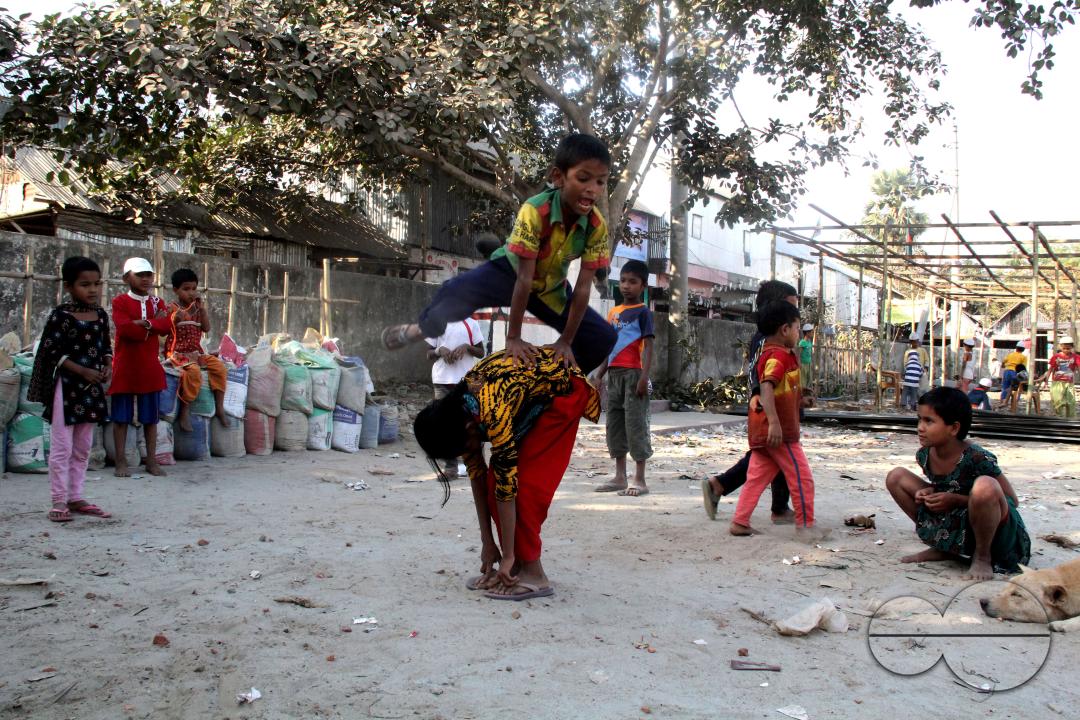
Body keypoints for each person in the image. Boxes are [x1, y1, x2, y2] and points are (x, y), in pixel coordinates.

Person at [381, 133, 616, 374]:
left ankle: (548, 386)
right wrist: (513, 337)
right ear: (558, 177)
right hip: (509, 272)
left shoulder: (596, 226)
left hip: (550, 288)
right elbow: (523, 278)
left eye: (600, 182)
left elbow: (583, 289)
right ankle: (418, 330)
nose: (592, 189)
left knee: (603, 338)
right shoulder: (535, 210)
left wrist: (565, 341)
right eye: (584, 178)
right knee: (452, 292)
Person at [413, 348, 600, 600]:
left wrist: (508, 554)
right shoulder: (459, 415)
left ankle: (533, 573)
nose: (466, 453)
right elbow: (478, 478)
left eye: (463, 449)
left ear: (469, 429)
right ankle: (515, 568)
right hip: (532, 400)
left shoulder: (491, 409)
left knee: (523, 489)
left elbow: (506, 489)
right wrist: (487, 543)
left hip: (563, 396)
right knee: (495, 484)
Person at [885, 386, 1030, 580]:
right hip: (958, 520)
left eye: (929, 421)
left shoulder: (978, 457)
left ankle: (982, 557)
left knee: (985, 486)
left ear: (954, 428)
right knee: (896, 477)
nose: (920, 427)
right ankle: (943, 547)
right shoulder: (925, 454)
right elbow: (949, 485)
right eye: (919, 419)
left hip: (997, 534)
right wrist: (929, 492)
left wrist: (957, 500)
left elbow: (1011, 500)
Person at [701, 280, 798, 523]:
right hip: (771, 409)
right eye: (790, 310)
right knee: (781, 458)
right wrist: (772, 413)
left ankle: (726, 489)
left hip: (774, 407)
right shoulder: (768, 341)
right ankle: (769, 507)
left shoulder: (765, 338)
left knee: (769, 457)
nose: (795, 317)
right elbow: (764, 378)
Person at [27, 257, 113, 522]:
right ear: (68, 286)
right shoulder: (61, 316)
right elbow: (51, 352)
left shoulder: (100, 315)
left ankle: (76, 497)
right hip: (67, 390)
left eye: (96, 284)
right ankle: (59, 500)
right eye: (84, 284)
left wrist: (108, 364)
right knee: (62, 448)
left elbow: (106, 346)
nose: (92, 290)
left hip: (91, 391)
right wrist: (82, 370)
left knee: (83, 448)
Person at [730, 300, 816, 537]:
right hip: (780, 432)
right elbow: (767, 386)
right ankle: (806, 525)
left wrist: (799, 400)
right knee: (801, 477)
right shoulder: (778, 356)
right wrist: (776, 423)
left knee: (756, 477)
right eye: (798, 328)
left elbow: (779, 392)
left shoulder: (773, 354)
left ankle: (740, 521)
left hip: (763, 430)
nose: (799, 334)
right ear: (785, 329)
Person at [592, 260, 654, 497]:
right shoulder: (614, 312)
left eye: (633, 282)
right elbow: (611, 347)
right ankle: (619, 476)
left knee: (636, 424)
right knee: (615, 425)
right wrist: (599, 376)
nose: (627, 286)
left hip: (633, 375)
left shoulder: (643, 312)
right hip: (614, 376)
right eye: (624, 281)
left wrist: (644, 377)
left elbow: (649, 347)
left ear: (643, 286)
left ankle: (640, 479)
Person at [109, 257, 171, 477]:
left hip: (149, 367)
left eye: (148, 275)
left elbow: (166, 326)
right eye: (140, 275)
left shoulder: (157, 302)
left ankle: (151, 461)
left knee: (150, 418)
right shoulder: (120, 302)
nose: (146, 279)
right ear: (127, 278)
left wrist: (145, 324)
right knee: (121, 417)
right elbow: (125, 330)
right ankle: (120, 462)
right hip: (125, 366)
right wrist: (153, 324)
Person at [165, 268, 229, 431]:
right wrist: (175, 319)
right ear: (176, 290)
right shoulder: (172, 309)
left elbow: (206, 329)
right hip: (178, 354)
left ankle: (220, 407)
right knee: (193, 373)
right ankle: (185, 410)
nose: (191, 293)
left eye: (194, 289)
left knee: (220, 368)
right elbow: (164, 329)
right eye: (186, 289)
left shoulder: (198, 309)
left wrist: (202, 311)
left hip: (197, 352)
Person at [425, 316, 484, 477]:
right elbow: (429, 354)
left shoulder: (471, 324)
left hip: (466, 382)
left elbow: (481, 352)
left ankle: (476, 463)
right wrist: (440, 350)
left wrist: (467, 347)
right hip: (442, 380)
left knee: (470, 423)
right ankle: (451, 467)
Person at [1037, 336, 1078, 418]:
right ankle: (1059, 417)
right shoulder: (1056, 357)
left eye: (1068, 348)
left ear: (1072, 347)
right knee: (1057, 400)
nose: (1066, 350)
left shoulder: (1075, 357)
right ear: (1061, 347)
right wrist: (1046, 381)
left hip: (1069, 383)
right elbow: (1050, 369)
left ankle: (1070, 419)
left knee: (1071, 402)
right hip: (1057, 383)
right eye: (1064, 348)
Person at [901, 337, 928, 411]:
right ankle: (913, 405)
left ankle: (904, 404)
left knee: (906, 392)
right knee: (914, 393)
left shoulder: (922, 350)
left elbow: (906, 368)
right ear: (911, 342)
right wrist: (919, 375)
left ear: (918, 341)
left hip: (908, 381)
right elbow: (921, 372)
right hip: (916, 379)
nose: (914, 343)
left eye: (915, 341)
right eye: (913, 341)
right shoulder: (908, 352)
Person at [797, 323, 814, 389]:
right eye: (811, 332)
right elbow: (798, 354)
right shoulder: (802, 342)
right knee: (803, 381)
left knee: (809, 380)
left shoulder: (809, 342)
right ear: (807, 333)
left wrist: (811, 363)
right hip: (803, 365)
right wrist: (799, 364)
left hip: (809, 364)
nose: (812, 333)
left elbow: (810, 353)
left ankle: (807, 394)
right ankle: (802, 396)